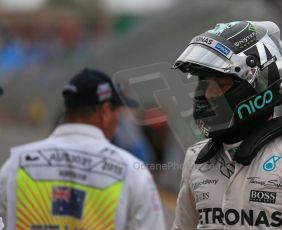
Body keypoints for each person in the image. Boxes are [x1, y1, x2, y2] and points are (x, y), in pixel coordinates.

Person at [172, 21, 282, 229]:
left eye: (220, 84)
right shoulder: (196, 158)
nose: (208, 94)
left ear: (258, 85)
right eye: (204, 84)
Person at [0, 68, 165, 230]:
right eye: (118, 112)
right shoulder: (133, 173)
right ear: (106, 112)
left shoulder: (16, 165)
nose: (118, 119)